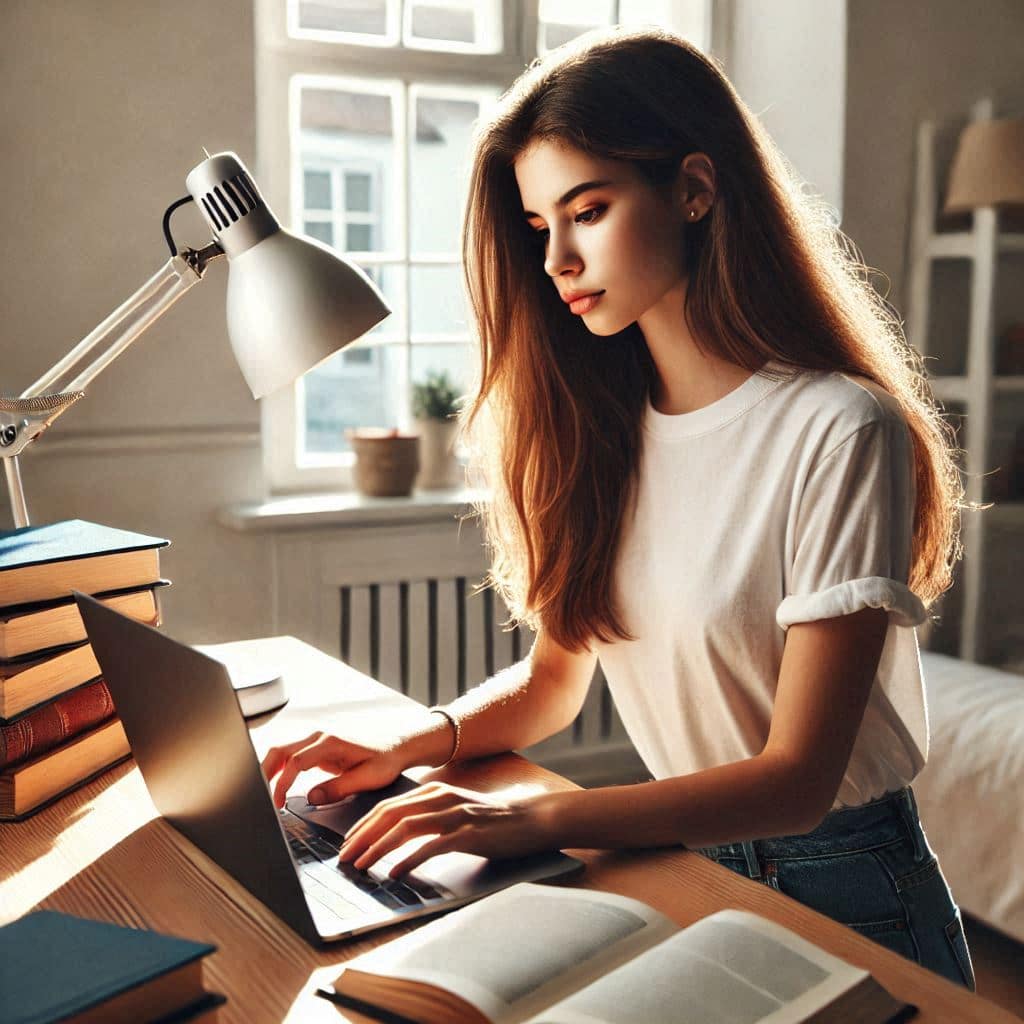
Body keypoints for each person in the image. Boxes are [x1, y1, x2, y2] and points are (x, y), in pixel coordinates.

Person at [262, 26, 975, 988]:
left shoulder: (841, 429)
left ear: (694, 188)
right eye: (537, 226)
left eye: (587, 210)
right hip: (683, 861)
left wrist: (529, 821)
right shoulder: (598, 432)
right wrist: (410, 741)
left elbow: (798, 783)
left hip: (850, 887)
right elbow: (554, 684)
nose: (556, 258)